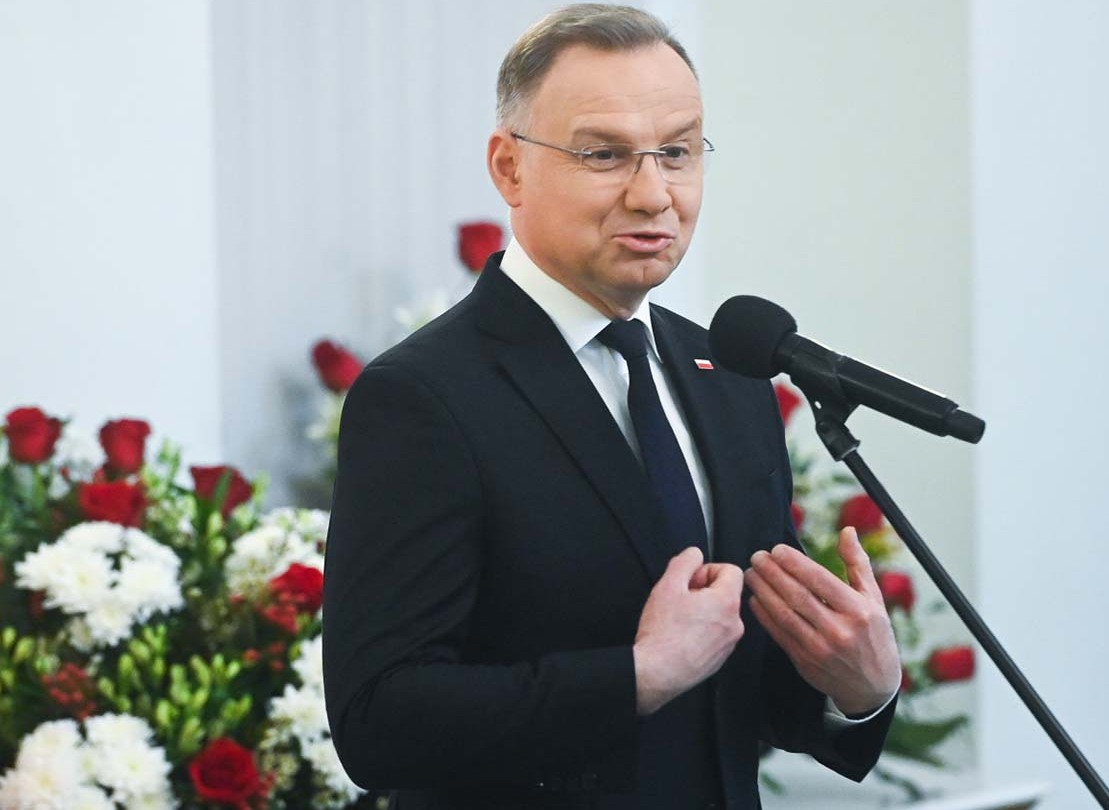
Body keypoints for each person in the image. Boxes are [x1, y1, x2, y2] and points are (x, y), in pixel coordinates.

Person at [323, 5, 901, 809]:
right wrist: (637, 676)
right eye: (604, 154)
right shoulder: (424, 396)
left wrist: (858, 686)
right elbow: (378, 721)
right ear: (509, 168)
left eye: (677, 152)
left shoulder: (730, 376)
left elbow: (742, 689)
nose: (653, 193)